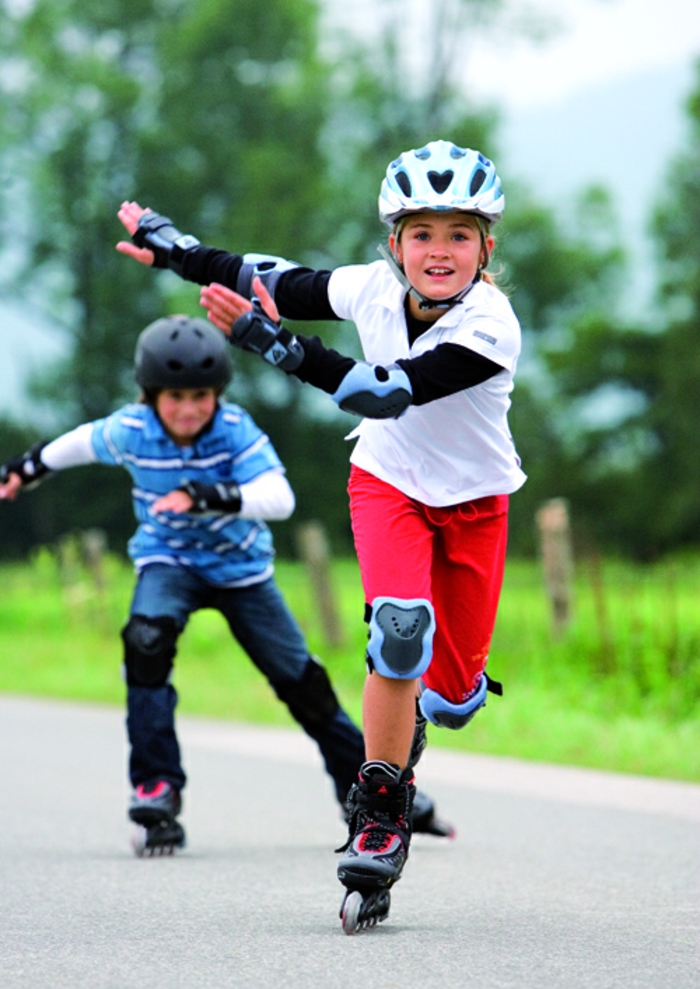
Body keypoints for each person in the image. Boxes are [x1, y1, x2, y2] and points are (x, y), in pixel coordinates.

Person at [115, 138, 525, 931]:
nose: (439, 251)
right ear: (394, 242)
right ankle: (379, 809)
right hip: (390, 486)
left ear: (486, 246)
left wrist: (276, 345)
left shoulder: (490, 324)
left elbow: (388, 390)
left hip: (477, 504)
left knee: (453, 695)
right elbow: (274, 279)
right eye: (422, 233)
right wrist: (181, 253)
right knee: (399, 632)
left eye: (459, 234)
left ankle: (410, 738)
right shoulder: (372, 288)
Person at [0, 314, 450, 857]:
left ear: (217, 395)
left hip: (244, 574)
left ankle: (373, 792)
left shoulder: (233, 428)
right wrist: (24, 469)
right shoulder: (130, 429)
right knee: (144, 641)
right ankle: (157, 788)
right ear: (149, 397)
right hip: (169, 563)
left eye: (200, 396)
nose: (189, 409)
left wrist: (210, 496)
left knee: (304, 685)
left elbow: (279, 497)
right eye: (174, 398)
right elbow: (75, 444)